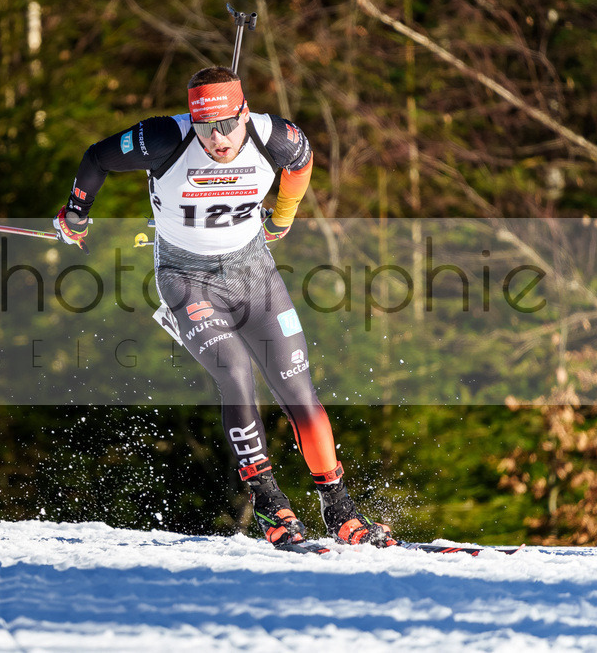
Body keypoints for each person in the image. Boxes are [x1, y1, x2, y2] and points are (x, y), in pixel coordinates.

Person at [53, 66, 393, 547]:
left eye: (227, 125)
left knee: (299, 390)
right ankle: (272, 507)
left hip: (254, 272)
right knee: (235, 373)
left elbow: (303, 160)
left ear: (244, 113)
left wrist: (285, 215)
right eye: (206, 128)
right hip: (185, 280)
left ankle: (340, 509)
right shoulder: (163, 137)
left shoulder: (272, 135)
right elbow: (97, 158)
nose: (218, 139)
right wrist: (76, 213)